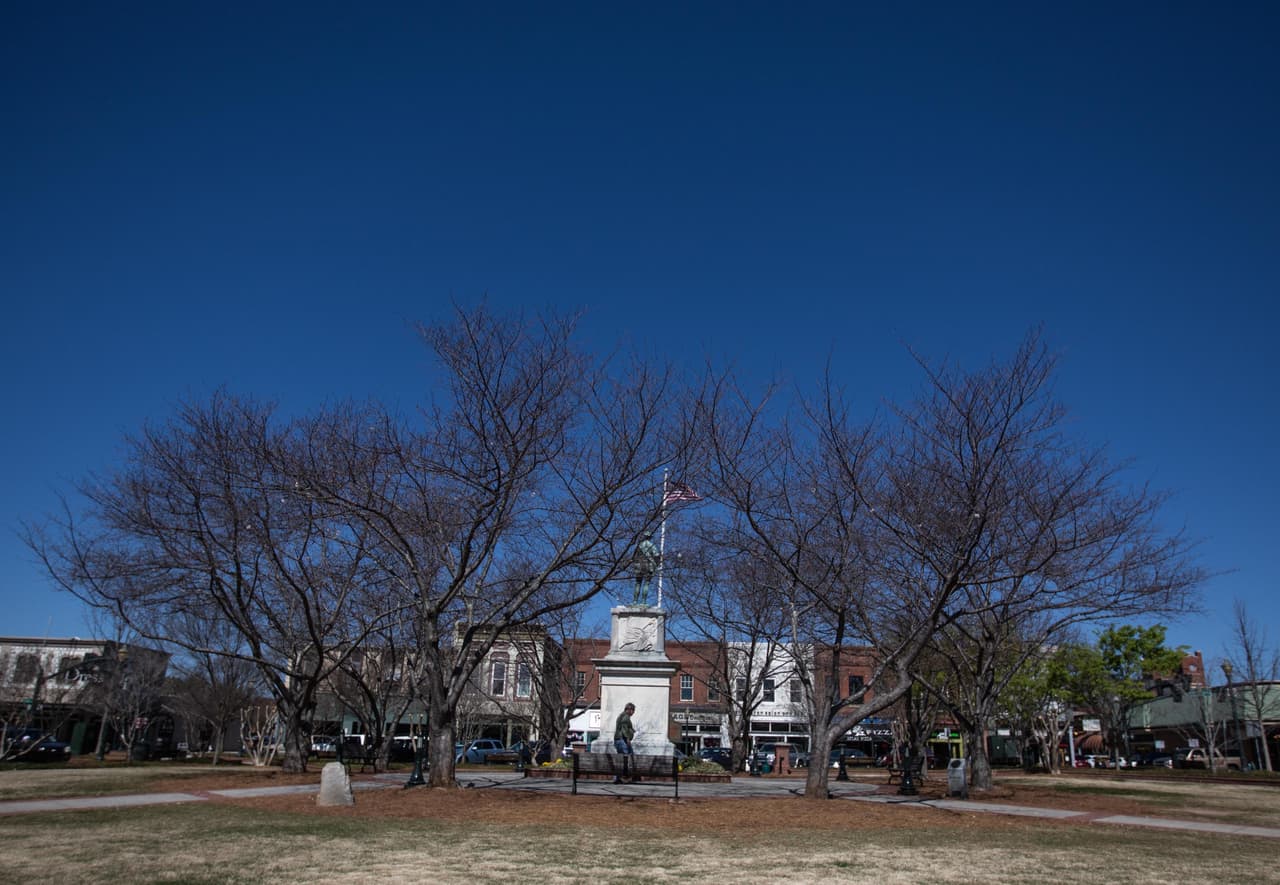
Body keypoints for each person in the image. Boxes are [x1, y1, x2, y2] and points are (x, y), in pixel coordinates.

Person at [613, 702, 636, 783]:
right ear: (629, 710)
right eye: (633, 710)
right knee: (627, 758)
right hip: (622, 740)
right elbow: (624, 729)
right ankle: (626, 776)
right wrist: (628, 739)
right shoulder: (626, 717)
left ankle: (617, 778)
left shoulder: (622, 716)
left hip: (618, 740)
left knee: (621, 759)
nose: (633, 713)